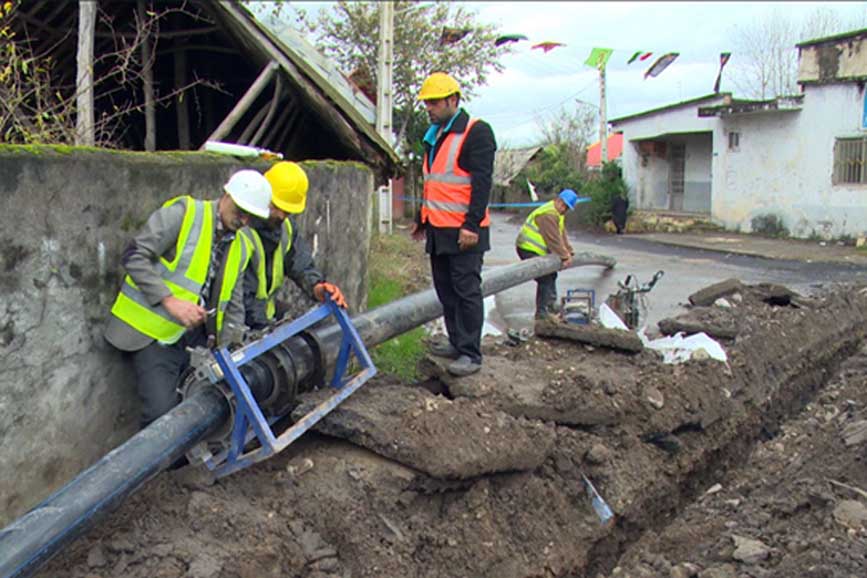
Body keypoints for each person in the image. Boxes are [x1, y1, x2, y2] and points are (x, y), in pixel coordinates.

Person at [105, 169, 273, 427]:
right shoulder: (185, 214)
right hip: (152, 332)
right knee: (162, 414)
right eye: (240, 211)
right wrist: (170, 301)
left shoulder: (241, 245)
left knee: (200, 405)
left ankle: (180, 465)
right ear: (227, 195)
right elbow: (133, 256)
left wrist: (231, 348)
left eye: (250, 216)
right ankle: (155, 465)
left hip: (194, 336)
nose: (243, 220)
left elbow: (233, 304)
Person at [410, 72, 496, 377]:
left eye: (434, 102)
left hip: (464, 232)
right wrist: (422, 220)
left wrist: (472, 225)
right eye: (427, 103)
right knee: (446, 290)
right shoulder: (435, 135)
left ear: (453, 100)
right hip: (439, 228)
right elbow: (433, 183)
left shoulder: (476, 132)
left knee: (466, 290)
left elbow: (482, 184)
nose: (429, 108)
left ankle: (471, 353)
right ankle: (457, 342)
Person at [242, 161, 346, 332]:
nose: (281, 215)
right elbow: (243, 297)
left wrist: (317, 287)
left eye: (287, 211)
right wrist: (267, 330)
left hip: (261, 326)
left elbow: (301, 264)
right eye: (276, 207)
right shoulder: (240, 229)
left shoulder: (286, 229)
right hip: (239, 329)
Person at [515, 189, 578, 321]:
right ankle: (542, 312)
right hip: (527, 248)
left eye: (567, 208)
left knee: (551, 274)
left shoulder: (557, 214)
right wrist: (565, 256)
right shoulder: (548, 214)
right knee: (545, 278)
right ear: (558, 200)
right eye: (564, 206)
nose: (564, 209)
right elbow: (553, 239)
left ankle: (550, 305)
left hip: (536, 250)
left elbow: (561, 234)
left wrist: (569, 251)